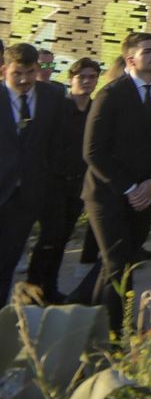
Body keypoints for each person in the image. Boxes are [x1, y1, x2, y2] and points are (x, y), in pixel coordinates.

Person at [82, 32, 151, 331]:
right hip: (108, 194)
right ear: (131, 59)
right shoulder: (111, 94)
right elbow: (93, 151)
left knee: (122, 262)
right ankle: (117, 337)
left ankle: (87, 326)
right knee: (118, 265)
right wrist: (129, 188)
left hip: (147, 193)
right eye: (148, 51)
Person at [27, 56, 100, 302]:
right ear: (71, 79)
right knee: (51, 236)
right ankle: (32, 289)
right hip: (53, 182)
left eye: (92, 77)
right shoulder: (59, 107)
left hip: (79, 184)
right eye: (82, 77)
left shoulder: (96, 111)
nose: (87, 81)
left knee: (63, 238)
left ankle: (49, 288)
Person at [1, 43, 67, 303]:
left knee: (8, 260)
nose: (24, 80)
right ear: (4, 70)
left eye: (30, 72)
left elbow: (56, 143)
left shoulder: (52, 96)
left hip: (27, 196)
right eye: (17, 73)